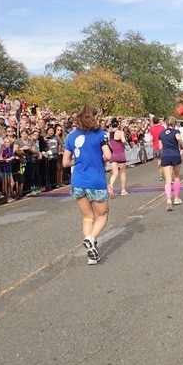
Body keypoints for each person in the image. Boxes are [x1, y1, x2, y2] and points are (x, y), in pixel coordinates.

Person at [62, 105, 112, 265]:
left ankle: (92, 254)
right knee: (102, 215)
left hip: (78, 180)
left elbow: (65, 162)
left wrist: (79, 160)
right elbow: (108, 155)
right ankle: (91, 239)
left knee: (87, 217)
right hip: (95, 179)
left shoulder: (71, 136)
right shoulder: (100, 134)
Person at [158, 116, 183, 211]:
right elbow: (178, 138)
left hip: (165, 155)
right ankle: (176, 198)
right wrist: (182, 145)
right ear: (175, 124)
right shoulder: (176, 132)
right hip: (175, 154)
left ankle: (168, 199)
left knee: (168, 180)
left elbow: (160, 146)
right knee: (176, 177)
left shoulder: (161, 133)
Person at [107, 119, 129, 196]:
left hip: (113, 154)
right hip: (120, 153)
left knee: (115, 173)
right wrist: (126, 143)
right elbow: (123, 140)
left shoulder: (109, 133)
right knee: (122, 172)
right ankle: (123, 190)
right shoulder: (120, 132)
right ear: (118, 125)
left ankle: (111, 185)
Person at [148, 116, 165, 181]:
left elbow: (151, 138)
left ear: (153, 121)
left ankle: (161, 175)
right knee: (165, 161)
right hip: (163, 146)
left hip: (155, 146)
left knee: (159, 161)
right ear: (158, 121)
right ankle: (165, 174)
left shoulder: (151, 129)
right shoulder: (162, 128)